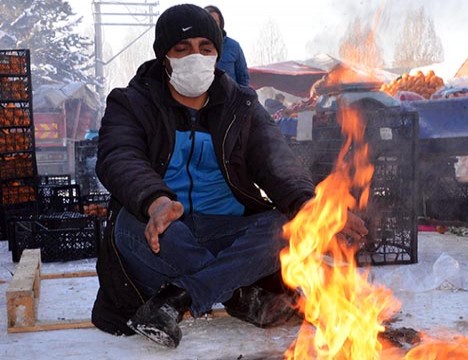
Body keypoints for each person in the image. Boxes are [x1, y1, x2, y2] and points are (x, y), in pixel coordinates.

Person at [91, 4, 367, 348]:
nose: (196, 56)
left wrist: (311, 207)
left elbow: (274, 159)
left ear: (217, 53)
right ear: (164, 56)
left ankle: (178, 298)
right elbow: (119, 155)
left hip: (226, 231)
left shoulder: (242, 105)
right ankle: (238, 294)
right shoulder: (132, 102)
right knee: (136, 227)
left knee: (285, 225)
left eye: (205, 48)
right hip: (161, 231)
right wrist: (155, 201)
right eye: (182, 49)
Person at [204, 5, 250, 86]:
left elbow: (243, 78)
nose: (212, 25)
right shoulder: (194, 48)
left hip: (230, 97)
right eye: (208, 21)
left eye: (215, 21)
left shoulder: (233, 46)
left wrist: (240, 97)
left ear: (220, 23)